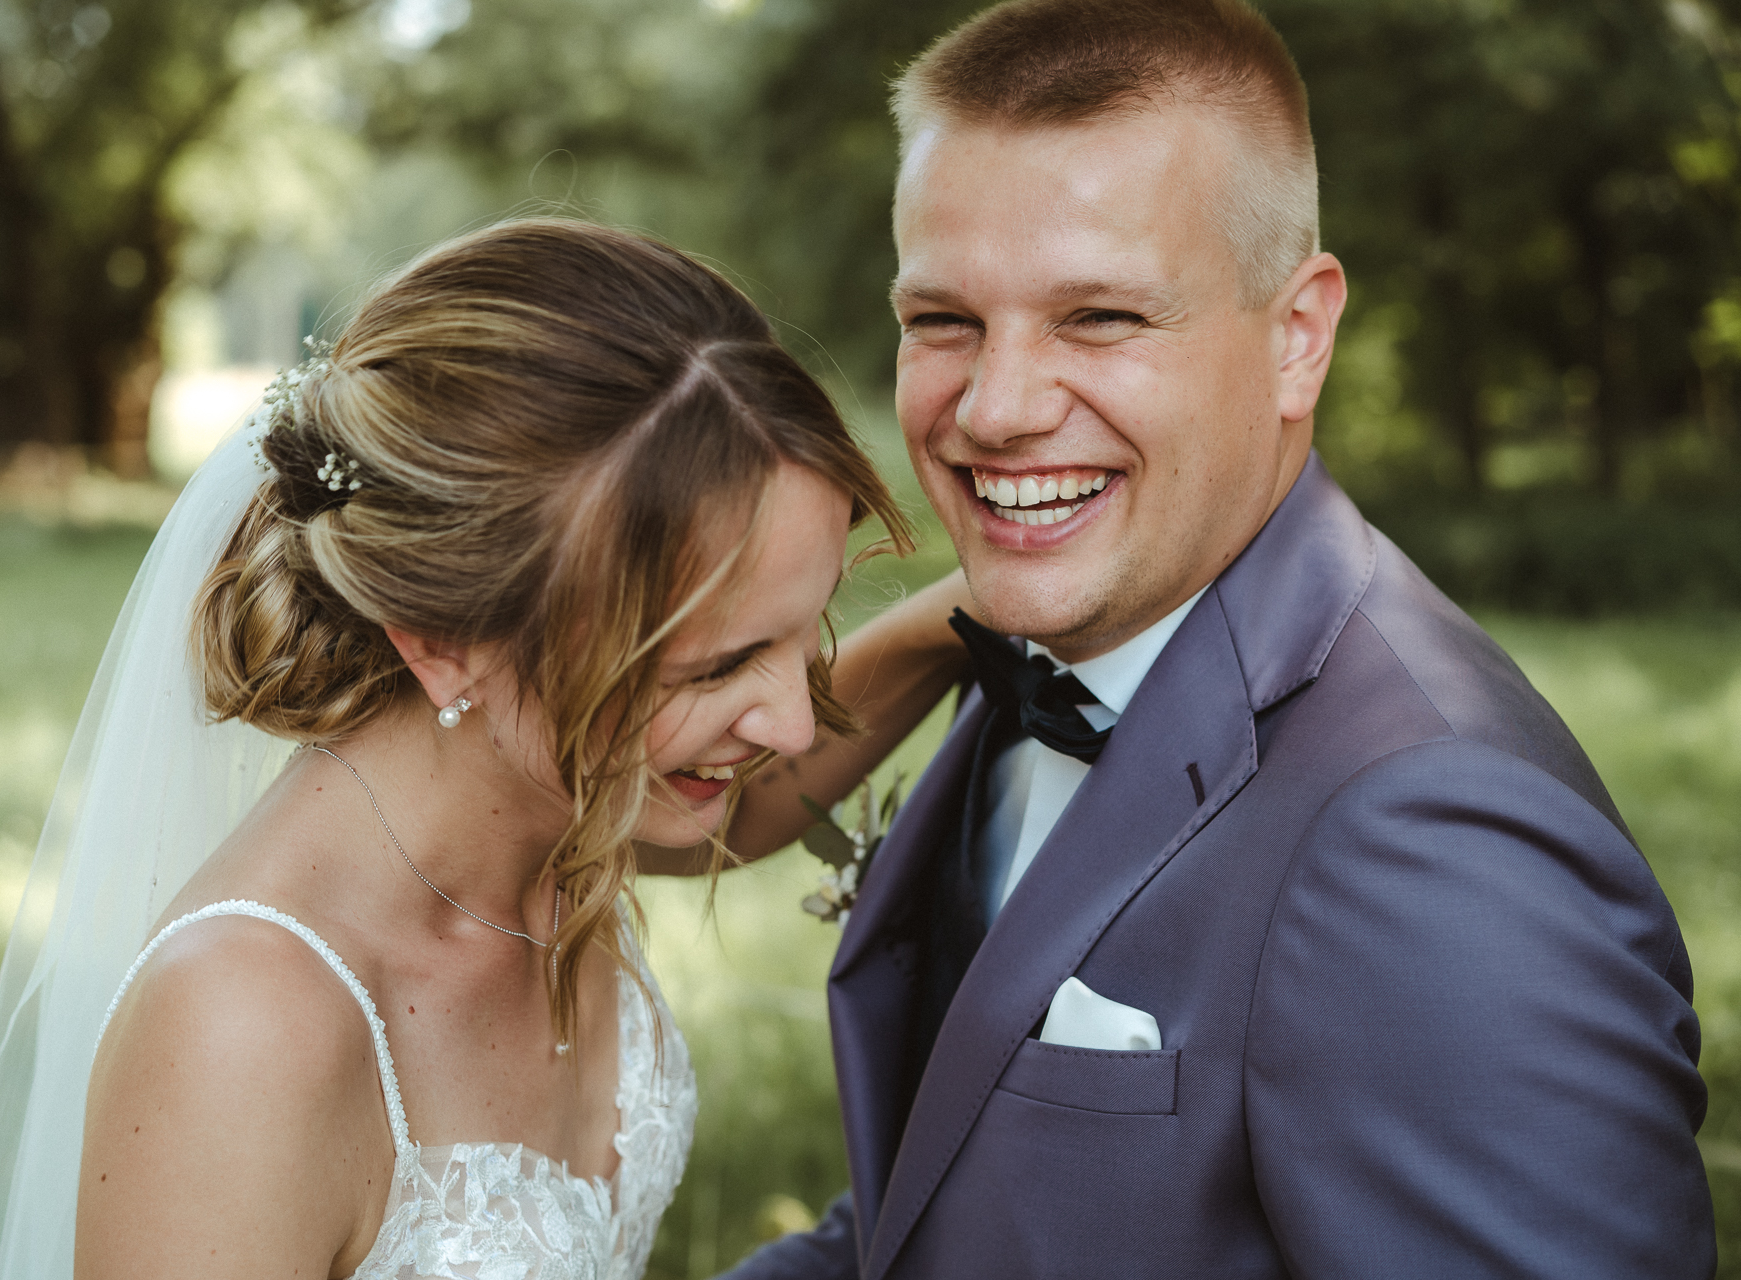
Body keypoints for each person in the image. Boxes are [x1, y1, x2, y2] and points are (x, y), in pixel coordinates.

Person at [711, 1, 1718, 1275]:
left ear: (1298, 337)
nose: (996, 407)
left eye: (1104, 318)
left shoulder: (1433, 834)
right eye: (942, 321)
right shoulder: (1051, 646)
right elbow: (945, 1209)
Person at [0, 218, 921, 1280]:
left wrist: (966, 624)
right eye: (712, 668)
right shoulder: (244, 1029)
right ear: (445, 643)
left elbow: (745, 809)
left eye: (806, 627)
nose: (790, 721)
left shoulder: (564, 803)